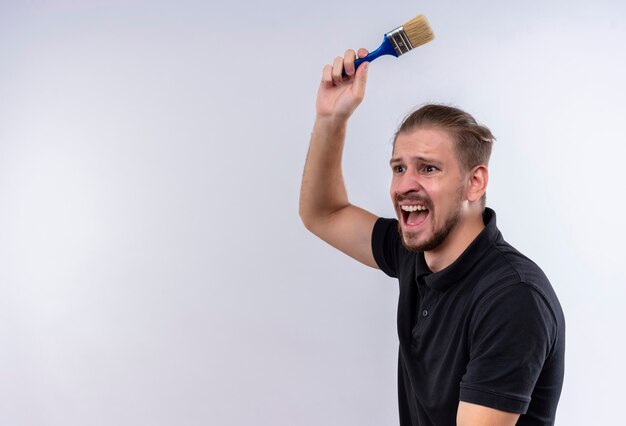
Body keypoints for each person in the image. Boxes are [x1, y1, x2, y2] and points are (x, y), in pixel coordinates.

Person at [299, 48, 565, 426]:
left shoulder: (512, 297)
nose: (405, 185)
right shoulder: (416, 252)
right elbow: (324, 213)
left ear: (475, 182)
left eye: (428, 168)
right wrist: (331, 118)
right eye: (399, 167)